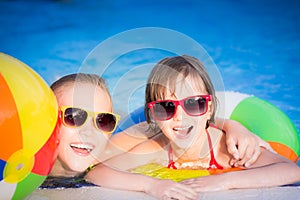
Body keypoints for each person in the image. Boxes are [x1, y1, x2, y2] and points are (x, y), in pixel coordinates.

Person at [87, 55, 300, 193]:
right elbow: (96, 172)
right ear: (152, 113)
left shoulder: (228, 149)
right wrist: (151, 185)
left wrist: (226, 181)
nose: (180, 116)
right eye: (166, 107)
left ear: (208, 109)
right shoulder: (159, 148)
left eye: (194, 104)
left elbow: (291, 171)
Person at [45, 73, 272, 199]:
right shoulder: (27, 160)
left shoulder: (104, 151)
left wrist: (232, 126)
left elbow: (169, 124)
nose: (89, 131)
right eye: (74, 116)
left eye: (104, 121)